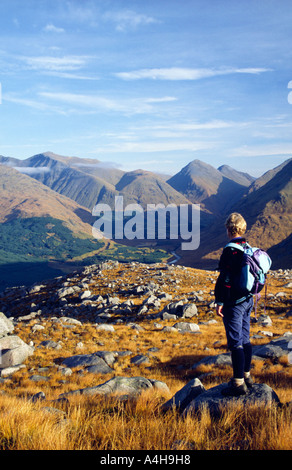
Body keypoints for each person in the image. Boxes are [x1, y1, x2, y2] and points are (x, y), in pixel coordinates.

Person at [215, 212, 254, 396]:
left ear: (229, 229)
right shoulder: (247, 247)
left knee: (236, 342)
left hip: (234, 302)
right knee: (245, 339)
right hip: (248, 300)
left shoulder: (230, 250)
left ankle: (238, 384)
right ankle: (247, 376)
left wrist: (220, 301)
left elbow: (225, 278)